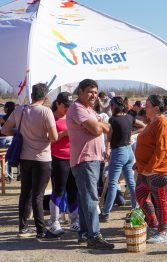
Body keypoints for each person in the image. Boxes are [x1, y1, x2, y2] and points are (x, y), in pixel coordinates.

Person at [2, 83, 59, 240]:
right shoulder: (46, 111)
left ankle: (23, 227)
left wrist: (21, 133)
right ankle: (41, 230)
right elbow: (54, 138)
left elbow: (5, 130)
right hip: (42, 158)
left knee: (25, 193)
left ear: (32, 95)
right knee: (38, 196)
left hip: (24, 157)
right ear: (45, 97)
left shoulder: (20, 110)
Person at [67, 79, 113, 249]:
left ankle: (85, 233)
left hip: (92, 159)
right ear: (80, 92)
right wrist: (101, 125)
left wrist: (99, 124)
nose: (93, 95)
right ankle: (94, 236)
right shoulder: (77, 108)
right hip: (84, 160)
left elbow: (104, 127)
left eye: (95, 92)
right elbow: (97, 130)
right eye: (89, 92)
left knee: (85, 198)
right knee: (91, 198)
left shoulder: (89, 110)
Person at [134, 95, 167, 244]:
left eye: (148, 105)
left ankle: (163, 232)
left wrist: (149, 167)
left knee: (161, 200)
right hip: (146, 169)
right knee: (140, 194)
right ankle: (154, 225)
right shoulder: (153, 122)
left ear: (156, 108)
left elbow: (161, 149)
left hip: (159, 170)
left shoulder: (162, 122)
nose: (145, 108)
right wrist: (140, 165)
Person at [99, 97, 146, 222]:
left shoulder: (113, 119)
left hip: (118, 152)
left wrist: (108, 149)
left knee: (113, 183)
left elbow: (109, 136)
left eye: (111, 105)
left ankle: (105, 213)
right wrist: (132, 133)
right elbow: (144, 126)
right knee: (130, 182)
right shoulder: (130, 118)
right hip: (129, 152)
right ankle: (136, 208)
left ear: (114, 106)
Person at [48, 92, 80, 235]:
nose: (68, 109)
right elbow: (48, 139)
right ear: (57, 104)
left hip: (73, 158)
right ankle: (54, 221)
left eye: (70, 106)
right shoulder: (51, 118)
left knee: (73, 190)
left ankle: (74, 221)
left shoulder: (71, 116)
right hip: (58, 158)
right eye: (65, 106)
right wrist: (63, 134)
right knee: (59, 190)